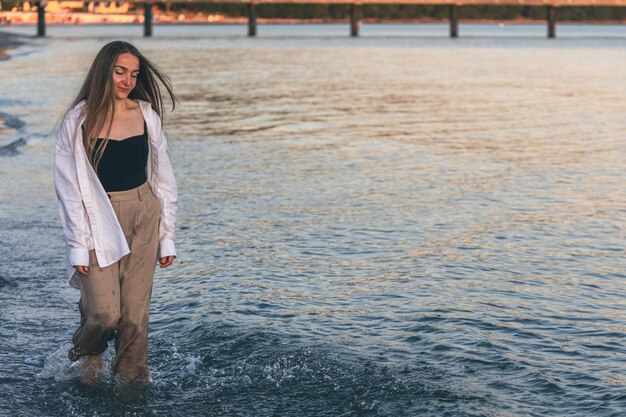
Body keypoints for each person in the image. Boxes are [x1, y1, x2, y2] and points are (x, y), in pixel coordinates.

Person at [54, 40, 178, 383]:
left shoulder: (146, 115)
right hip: (97, 219)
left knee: (135, 319)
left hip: (143, 216)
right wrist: (77, 244)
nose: (126, 81)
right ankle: (87, 350)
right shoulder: (77, 120)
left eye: (133, 74)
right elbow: (68, 191)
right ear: (103, 72)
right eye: (119, 72)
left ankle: (131, 386)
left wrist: (167, 239)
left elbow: (164, 181)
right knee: (105, 314)